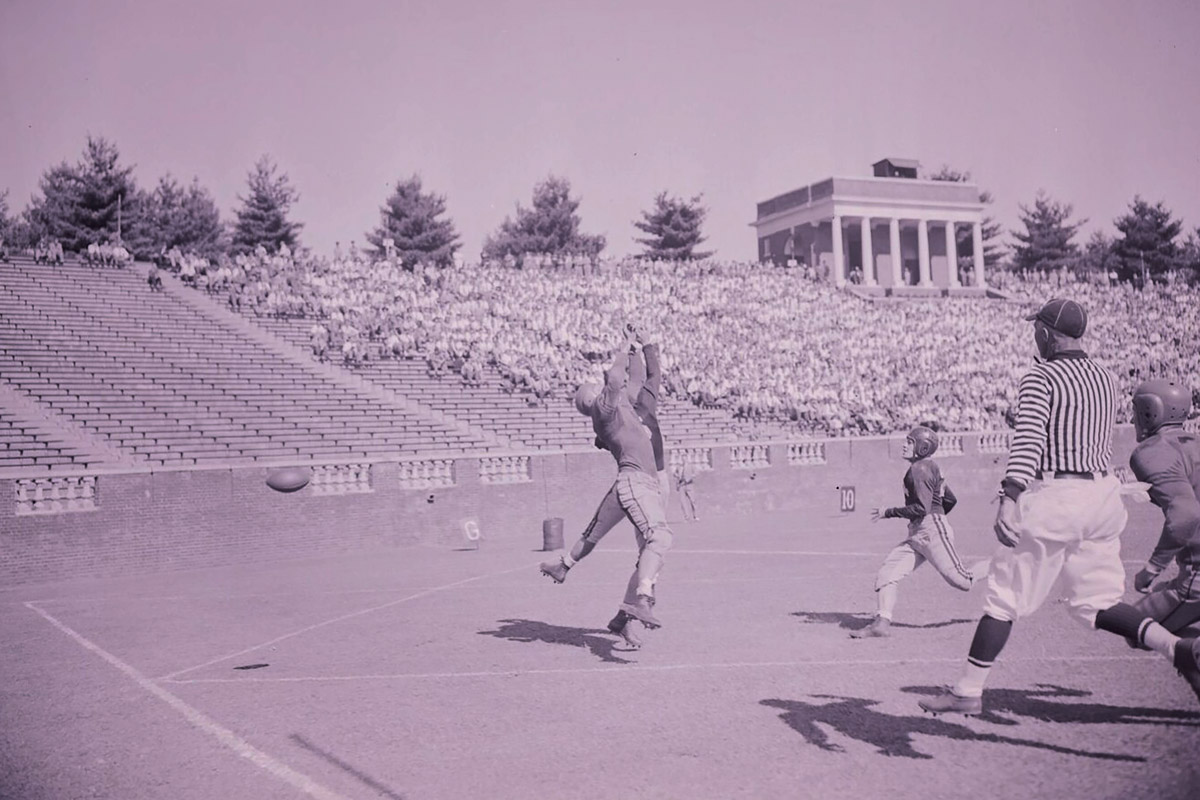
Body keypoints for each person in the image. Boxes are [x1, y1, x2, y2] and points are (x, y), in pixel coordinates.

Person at [919, 298, 1187, 715]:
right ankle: (1176, 647)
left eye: (1036, 329)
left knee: (1004, 599)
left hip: (1059, 496)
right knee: (1094, 602)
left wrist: (1009, 498)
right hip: (1103, 497)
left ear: (1046, 332)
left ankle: (967, 691)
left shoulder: (1040, 377)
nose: (1034, 336)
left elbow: (1027, 443)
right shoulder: (1104, 377)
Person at [539, 326, 675, 646]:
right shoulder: (604, 410)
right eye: (592, 387)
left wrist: (636, 350)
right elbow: (615, 380)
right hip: (638, 482)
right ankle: (641, 599)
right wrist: (624, 346)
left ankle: (566, 567)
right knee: (659, 539)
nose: (598, 384)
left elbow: (636, 379)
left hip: (636, 484)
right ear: (590, 399)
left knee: (598, 535)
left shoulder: (623, 406)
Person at [852, 425, 974, 639]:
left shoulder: (920, 468)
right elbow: (950, 500)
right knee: (887, 573)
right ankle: (881, 623)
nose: (904, 444)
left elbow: (921, 508)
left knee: (962, 581)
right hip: (920, 531)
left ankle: (999, 566)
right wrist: (935, 517)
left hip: (929, 529)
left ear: (923, 447)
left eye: (910, 441)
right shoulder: (925, 467)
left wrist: (888, 512)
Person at [1124, 379, 1200, 699]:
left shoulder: (1152, 451)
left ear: (1151, 411)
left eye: (1137, 411)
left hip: (1197, 576)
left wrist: (1152, 568)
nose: (1132, 420)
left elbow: (1185, 515)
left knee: (1135, 627)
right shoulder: (1194, 442)